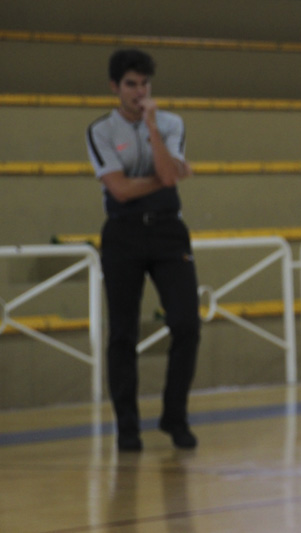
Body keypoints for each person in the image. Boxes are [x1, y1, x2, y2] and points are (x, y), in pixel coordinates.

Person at [86, 49, 200, 452]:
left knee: (187, 323)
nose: (139, 92)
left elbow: (169, 176)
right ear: (115, 87)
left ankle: (174, 416)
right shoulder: (100, 130)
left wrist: (152, 128)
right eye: (131, 84)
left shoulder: (170, 123)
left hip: (169, 232)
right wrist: (165, 176)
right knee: (122, 332)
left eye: (144, 84)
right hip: (122, 234)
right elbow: (119, 188)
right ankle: (127, 427)